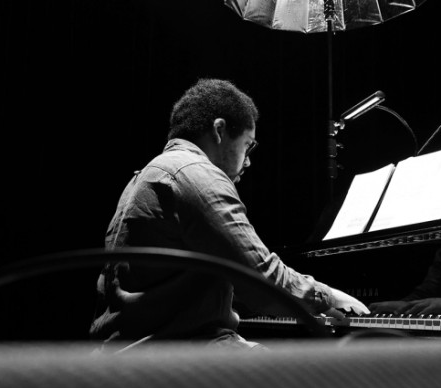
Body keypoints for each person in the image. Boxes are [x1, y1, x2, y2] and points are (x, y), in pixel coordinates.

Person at [90, 78, 368, 349]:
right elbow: (262, 280)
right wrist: (327, 296)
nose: (248, 161)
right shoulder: (197, 174)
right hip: (180, 357)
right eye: (248, 145)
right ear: (219, 130)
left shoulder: (144, 177)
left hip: (127, 355)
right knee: (323, 374)